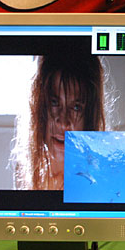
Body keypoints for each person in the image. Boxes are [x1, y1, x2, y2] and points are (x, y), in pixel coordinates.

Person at [12, 52, 106, 190]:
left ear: (90, 117)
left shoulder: (100, 182)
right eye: (54, 102)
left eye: (76, 107)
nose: (63, 123)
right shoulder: (25, 172)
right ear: (39, 110)